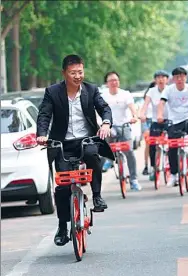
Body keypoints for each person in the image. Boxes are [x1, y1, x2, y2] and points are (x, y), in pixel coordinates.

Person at [36, 54, 114, 246]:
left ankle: (97, 196)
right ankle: (63, 226)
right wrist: (42, 134)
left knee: (91, 155)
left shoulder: (91, 90)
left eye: (80, 72)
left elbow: (104, 108)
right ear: (64, 73)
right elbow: (44, 115)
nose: (77, 76)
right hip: (61, 143)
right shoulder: (52, 92)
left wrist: (105, 123)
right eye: (73, 73)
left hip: (85, 140)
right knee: (62, 187)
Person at [157, 67, 188, 186]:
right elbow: (161, 103)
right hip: (174, 121)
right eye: (177, 77)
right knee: (172, 147)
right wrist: (160, 115)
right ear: (173, 79)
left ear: (185, 78)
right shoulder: (168, 90)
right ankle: (174, 175)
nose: (180, 79)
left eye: (182, 76)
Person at [101, 71, 142, 191]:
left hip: (124, 125)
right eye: (111, 80)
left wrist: (135, 116)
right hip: (110, 126)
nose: (114, 82)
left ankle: (134, 179)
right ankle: (109, 158)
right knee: (105, 138)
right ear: (106, 83)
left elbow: (132, 108)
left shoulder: (125, 94)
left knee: (129, 150)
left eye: (116, 80)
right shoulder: (103, 96)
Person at [139, 70, 170, 181]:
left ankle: (173, 167)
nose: (161, 79)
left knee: (172, 143)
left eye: (163, 77)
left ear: (167, 79)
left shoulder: (171, 89)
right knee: (152, 143)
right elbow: (145, 104)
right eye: (158, 77)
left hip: (170, 120)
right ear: (155, 80)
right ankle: (153, 166)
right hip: (156, 121)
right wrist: (142, 114)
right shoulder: (151, 91)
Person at [141, 82, 155, 176]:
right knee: (148, 144)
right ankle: (147, 165)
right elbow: (142, 112)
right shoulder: (146, 100)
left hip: (160, 121)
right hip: (148, 121)